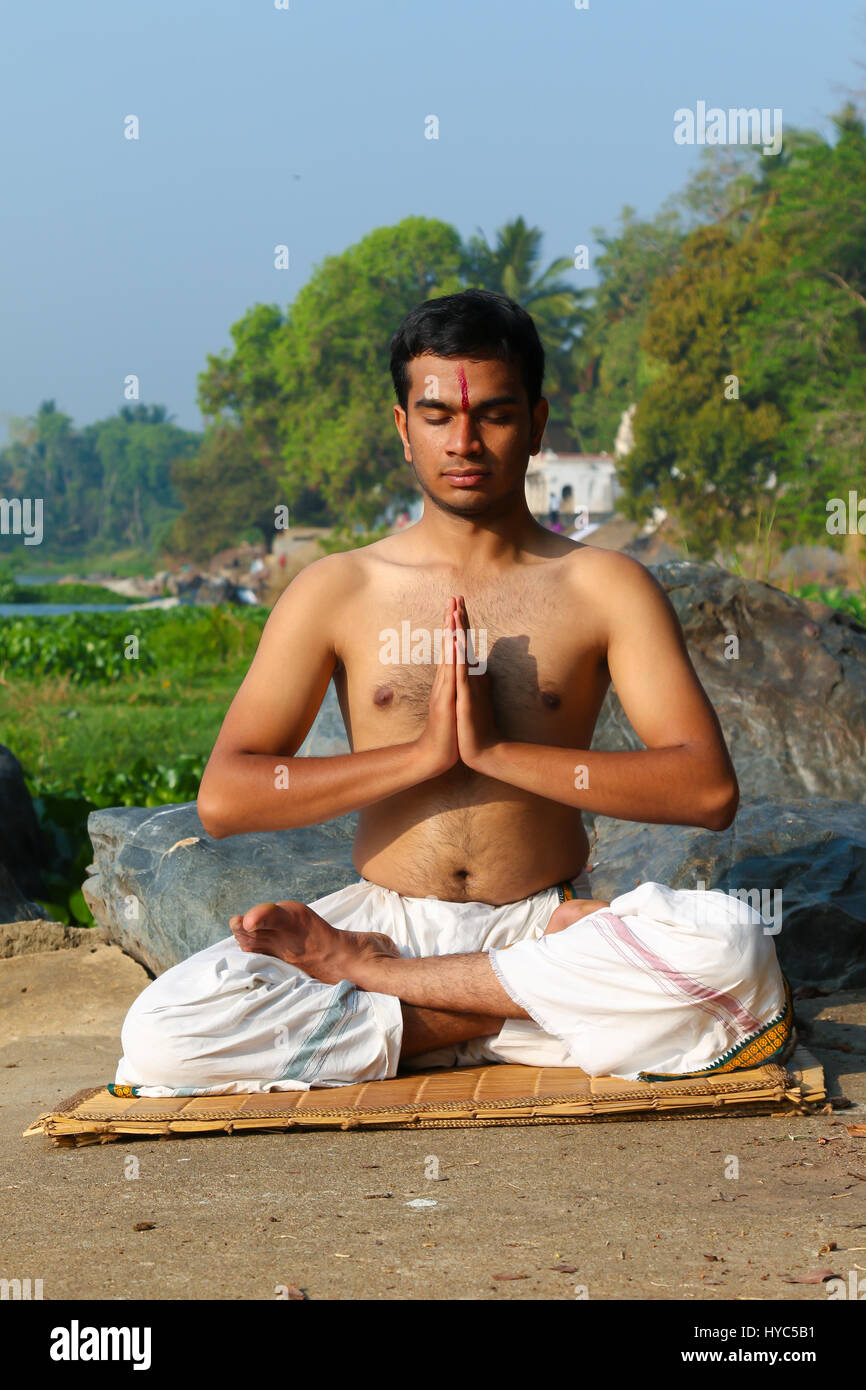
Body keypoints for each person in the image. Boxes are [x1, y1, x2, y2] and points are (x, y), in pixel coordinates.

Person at [114, 290, 792, 1098]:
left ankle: (398, 1004)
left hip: (541, 919)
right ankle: (509, 1011)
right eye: (436, 416)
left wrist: (500, 755)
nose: (463, 441)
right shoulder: (338, 588)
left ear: (537, 425)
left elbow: (707, 790)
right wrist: (420, 758)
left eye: (495, 416)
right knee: (163, 1034)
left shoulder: (604, 586)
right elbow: (227, 798)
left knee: (732, 950)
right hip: (385, 921)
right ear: (403, 427)